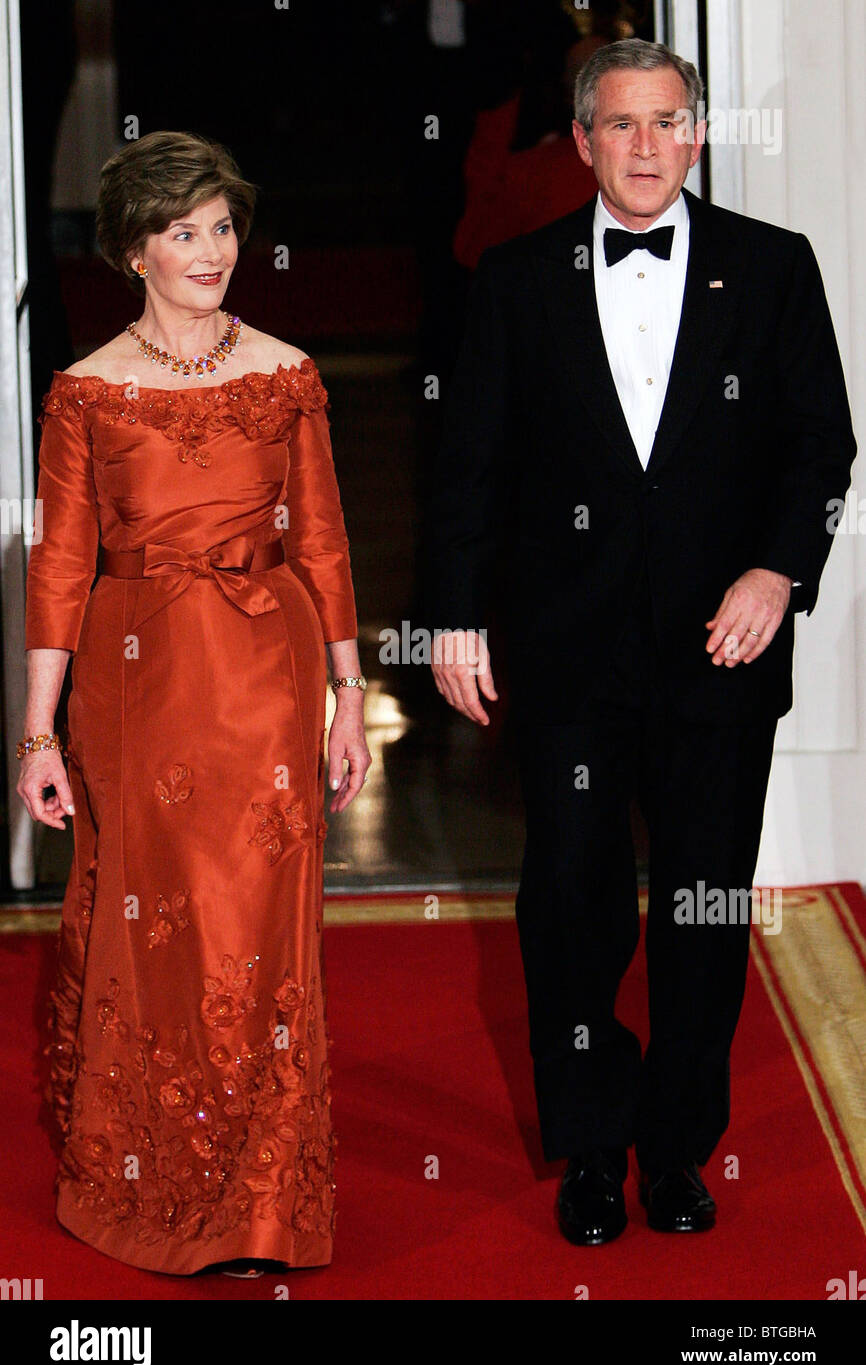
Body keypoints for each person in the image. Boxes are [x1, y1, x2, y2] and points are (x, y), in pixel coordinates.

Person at [425, 39, 856, 1243]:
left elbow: (820, 447)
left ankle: (675, 1149)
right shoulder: (512, 279)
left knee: (702, 905)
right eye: (620, 125)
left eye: (667, 121)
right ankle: (589, 1144)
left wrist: (779, 570)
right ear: (581, 140)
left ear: (699, 133)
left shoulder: (771, 269)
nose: (647, 145)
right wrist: (454, 615)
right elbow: (468, 467)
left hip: (719, 650)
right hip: (565, 651)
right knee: (569, 904)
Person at [18, 130, 371, 1276]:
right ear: (133, 250)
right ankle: (151, 1176)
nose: (212, 249)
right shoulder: (85, 391)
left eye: (222, 225)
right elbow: (61, 571)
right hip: (134, 690)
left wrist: (348, 697)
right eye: (184, 231)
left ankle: (261, 1201)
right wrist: (36, 733)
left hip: (262, 685)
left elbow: (321, 543)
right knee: (148, 930)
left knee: (259, 933)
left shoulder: (286, 372)